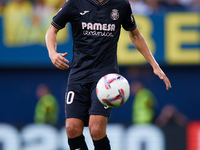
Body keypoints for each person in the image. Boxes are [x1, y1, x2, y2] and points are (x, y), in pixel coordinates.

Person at [45, 0, 171, 149]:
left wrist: (154, 65)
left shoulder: (121, 5)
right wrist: (52, 53)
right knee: (72, 128)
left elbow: (135, 35)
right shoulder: (75, 3)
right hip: (78, 74)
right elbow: (52, 30)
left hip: (105, 78)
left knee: (96, 129)